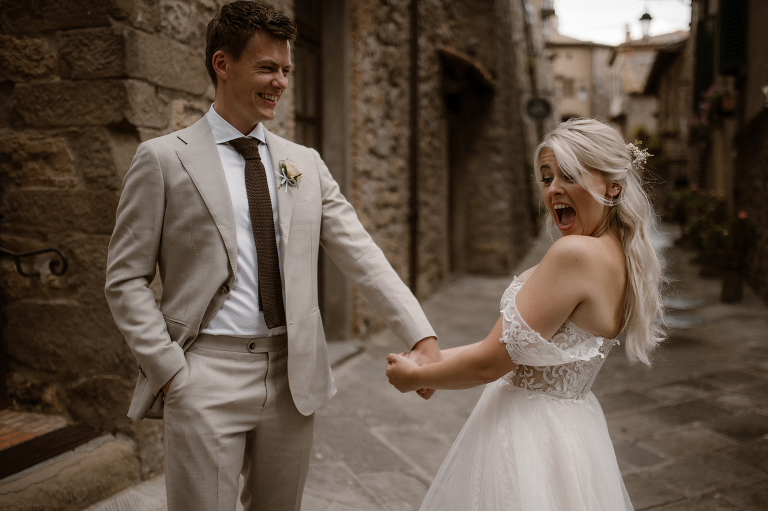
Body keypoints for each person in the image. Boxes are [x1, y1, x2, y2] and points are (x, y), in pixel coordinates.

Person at [105, 2, 440, 510]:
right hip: (203, 374)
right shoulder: (164, 159)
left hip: (292, 378)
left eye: (286, 70)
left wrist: (421, 336)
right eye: (266, 68)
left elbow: (360, 252)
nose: (280, 82)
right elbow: (125, 278)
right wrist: (169, 369)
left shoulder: (303, 162)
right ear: (222, 64)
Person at [386, 117, 664, 511]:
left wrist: (416, 377)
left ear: (613, 185)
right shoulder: (620, 253)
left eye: (570, 175)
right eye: (547, 178)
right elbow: (511, 346)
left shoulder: (575, 254)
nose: (554, 189)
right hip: (573, 432)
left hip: (529, 438)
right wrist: (434, 360)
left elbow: (490, 364)